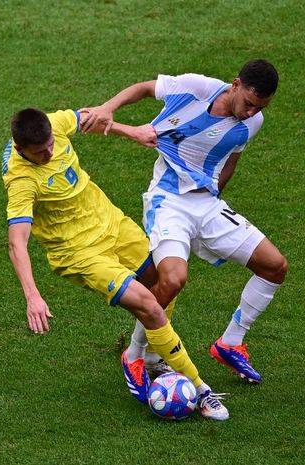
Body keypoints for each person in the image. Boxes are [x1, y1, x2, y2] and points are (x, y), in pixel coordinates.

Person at [2, 108, 229, 420]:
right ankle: (200, 389)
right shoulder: (21, 180)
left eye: (52, 144)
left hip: (112, 224)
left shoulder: (54, 123)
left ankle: (142, 358)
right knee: (149, 305)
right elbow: (17, 242)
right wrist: (32, 296)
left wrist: (131, 131)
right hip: (79, 253)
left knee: (167, 283)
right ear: (20, 148)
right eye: (40, 153)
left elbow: (89, 119)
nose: (50, 153)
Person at [80, 59, 288, 385]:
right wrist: (108, 107)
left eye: (260, 107)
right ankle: (137, 355)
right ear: (235, 84)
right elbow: (145, 88)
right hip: (169, 202)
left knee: (275, 266)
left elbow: (232, 157)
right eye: (248, 103)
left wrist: (214, 197)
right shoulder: (195, 88)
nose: (251, 112)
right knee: (173, 279)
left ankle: (230, 343)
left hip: (206, 205)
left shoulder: (253, 122)